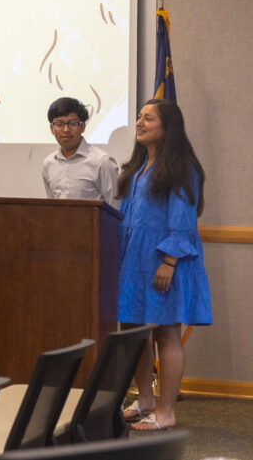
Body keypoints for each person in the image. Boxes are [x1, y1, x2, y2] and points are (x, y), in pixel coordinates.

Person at [116, 99, 211, 431]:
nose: (140, 123)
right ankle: (144, 400)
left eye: (148, 118)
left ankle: (166, 411)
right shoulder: (137, 166)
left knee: (166, 332)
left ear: (167, 126)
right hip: (133, 261)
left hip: (164, 260)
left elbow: (184, 220)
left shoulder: (181, 167)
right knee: (134, 331)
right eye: (139, 117)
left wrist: (169, 261)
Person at [42, 97, 119, 205]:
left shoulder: (102, 162)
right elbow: (52, 207)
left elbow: (115, 208)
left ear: (82, 126)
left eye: (72, 123)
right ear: (52, 129)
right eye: (59, 124)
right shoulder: (49, 163)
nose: (65, 129)